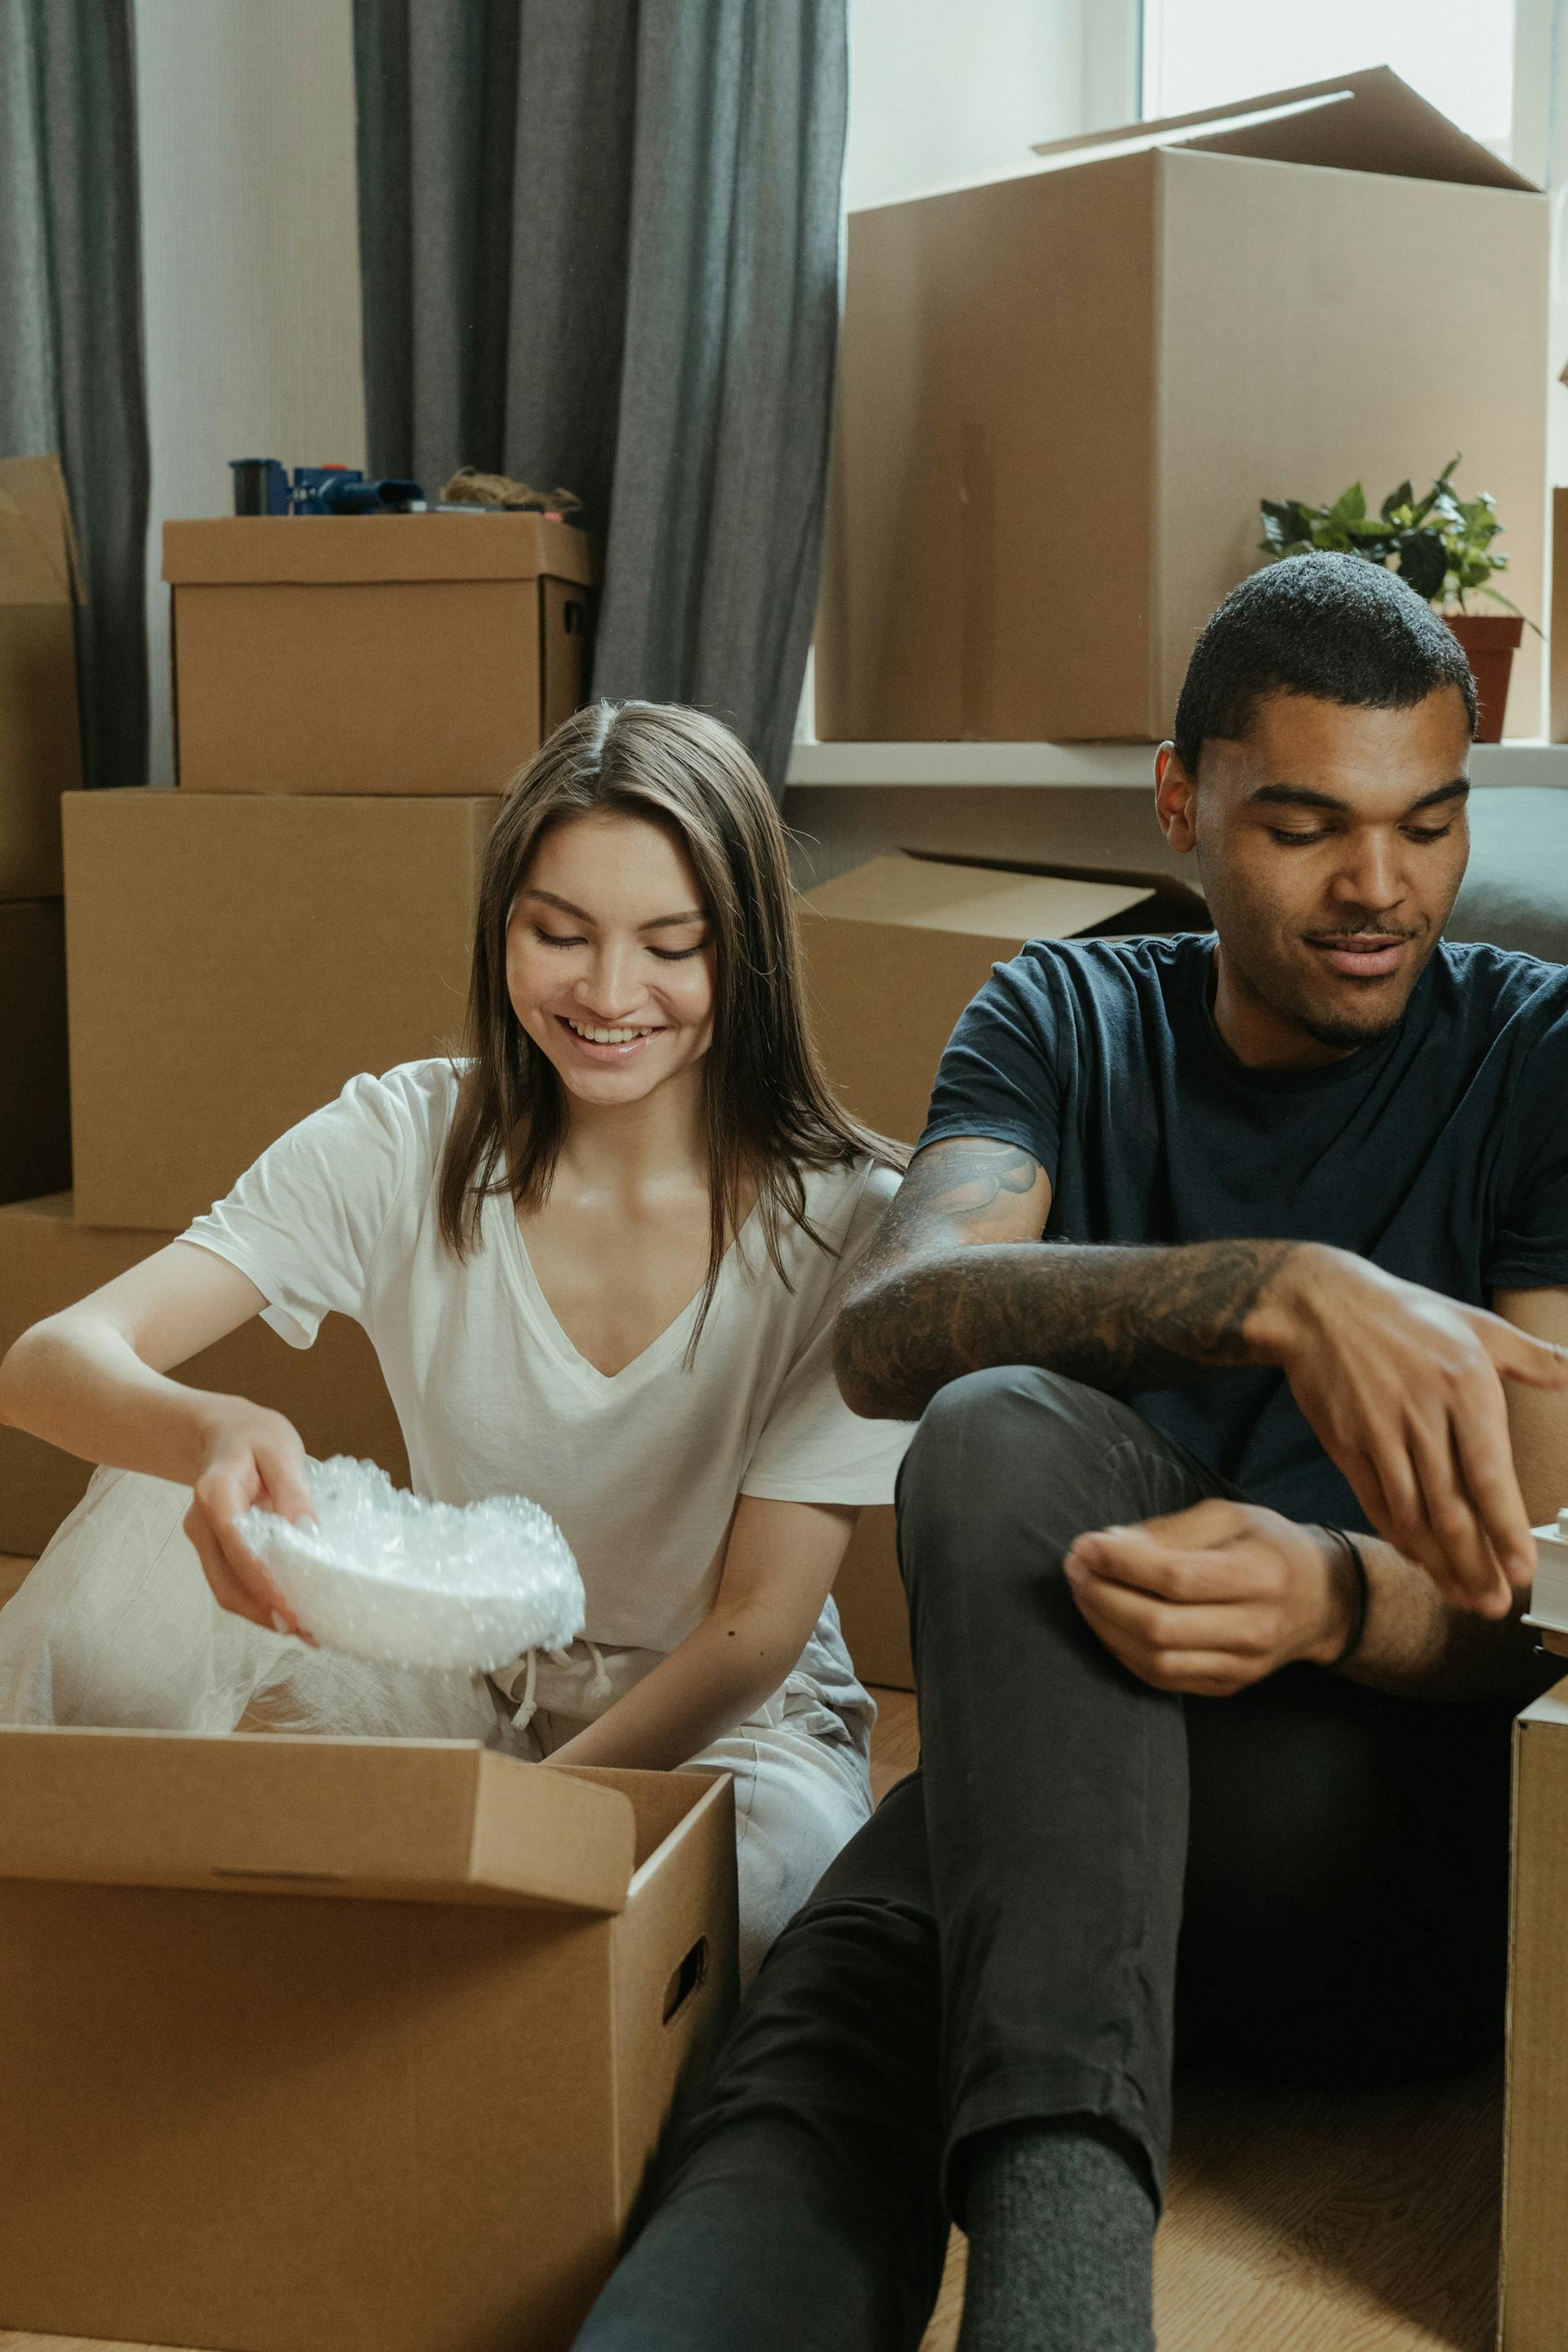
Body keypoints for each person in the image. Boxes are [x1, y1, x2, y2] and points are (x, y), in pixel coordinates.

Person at [570, 554, 1568, 2352]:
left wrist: (1333, 1598)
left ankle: (1059, 2305)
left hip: (1377, 1844)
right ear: (1181, 802)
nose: (1381, 889)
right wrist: (1261, 1292)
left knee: (924, 1877)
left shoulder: (1539, 1057)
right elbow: (891, 1333)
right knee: (845, 1994)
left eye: (1430, 826)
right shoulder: (1061, 1015)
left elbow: (1549, 1598)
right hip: (1062, 1803)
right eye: (1307, 826)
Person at [0, 700, 909, 1981]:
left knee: (735, 1927)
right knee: (150, 1520)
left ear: (745, 953)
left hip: (731, 1725)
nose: (606, 994)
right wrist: (207, 1426)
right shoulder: (404, 1142)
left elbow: (757, 1624)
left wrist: (516, 1835)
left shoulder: (852, 1223)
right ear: (503, 931)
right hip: (459, 1680)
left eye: (670, 946)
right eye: (560, 933)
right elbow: (49, 1362)